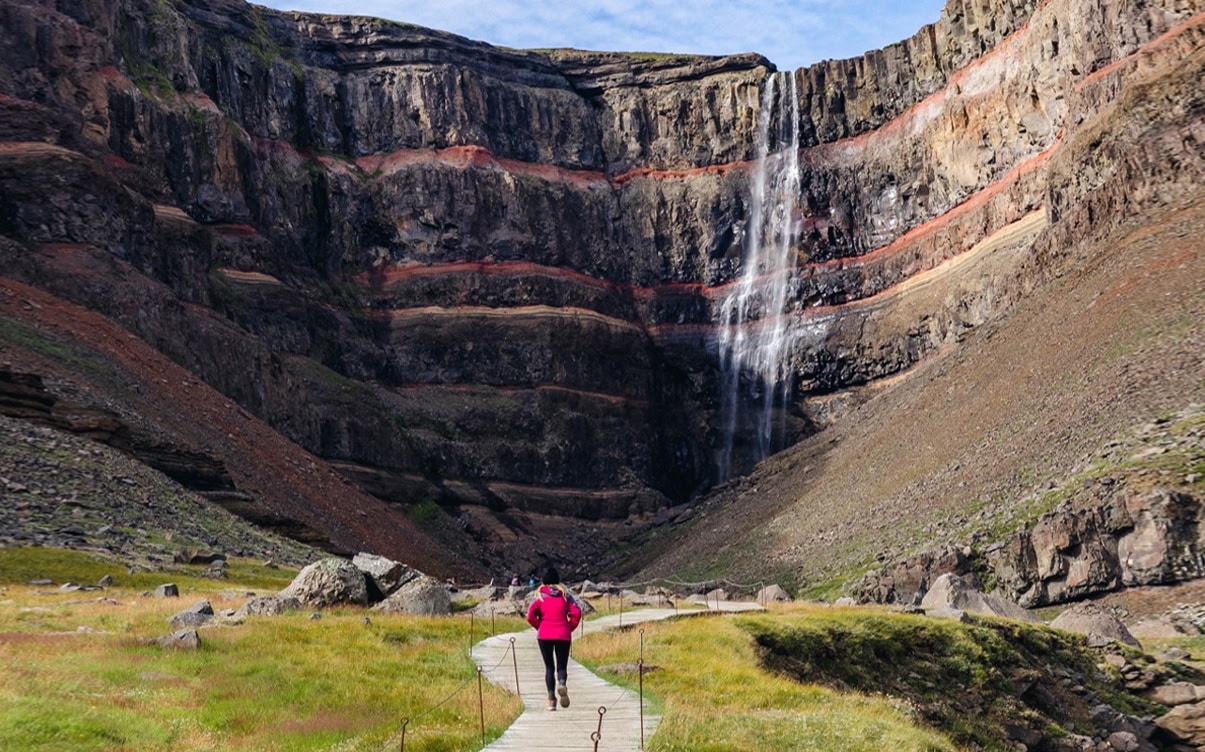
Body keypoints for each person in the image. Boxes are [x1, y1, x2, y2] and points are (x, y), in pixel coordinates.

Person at [525, 566, 582, 711]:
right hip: (563, 633)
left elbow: (530, 615)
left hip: (545, 634)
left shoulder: (539, 596)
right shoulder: (565, 596)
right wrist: (570, 627)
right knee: (561, 666)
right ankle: (561, 683)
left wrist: (539, 626)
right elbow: (576, 613)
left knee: (549, 667)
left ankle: (551, 700)